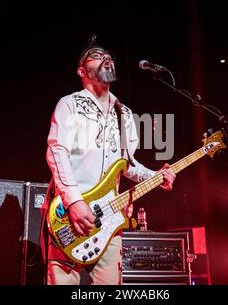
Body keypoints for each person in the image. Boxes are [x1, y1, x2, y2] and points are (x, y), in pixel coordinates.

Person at [43, 35, 176, 285]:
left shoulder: (123, 113)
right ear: (81, 70)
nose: (106, 57)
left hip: (108, 220)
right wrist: (74, 203)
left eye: (108, 56)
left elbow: (128, 163)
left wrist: (156, 176)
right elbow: (56, 152)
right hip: (69, 216)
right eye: (96, 55)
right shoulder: (70, 104)